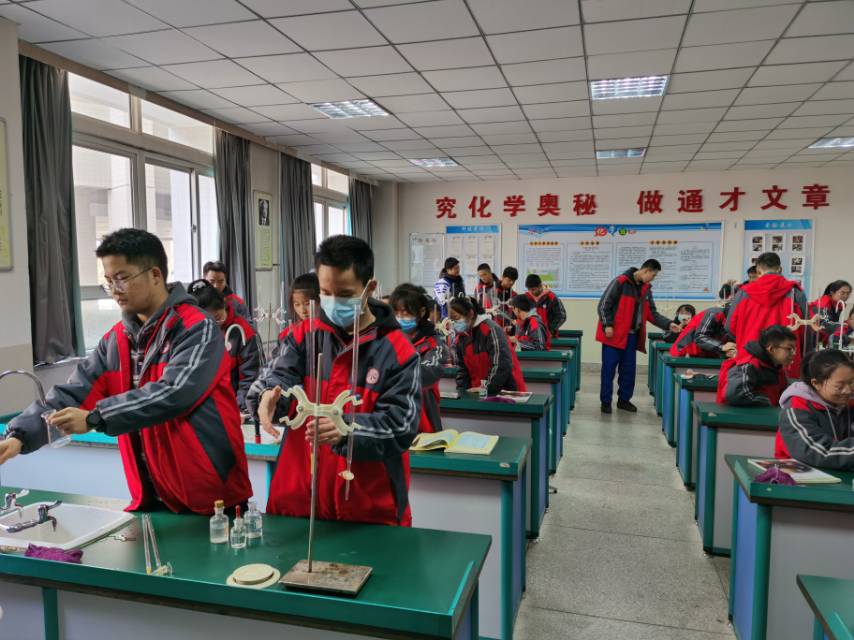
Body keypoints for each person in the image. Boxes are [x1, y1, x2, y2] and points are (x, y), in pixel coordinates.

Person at [0, 229, 252, 514]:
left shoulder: (197, 328)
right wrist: (20, 435)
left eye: (121, 278)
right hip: (151, 496)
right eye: (108, 281)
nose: (114, 290)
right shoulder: (115, 340)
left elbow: (173, 393)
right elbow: (74, 392)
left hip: (211, 497)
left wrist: (96, 417)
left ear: (155, 275)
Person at [248, 235, 421, 526]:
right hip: (298, 501)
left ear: (370, 288)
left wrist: (347, 428)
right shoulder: (304, 335)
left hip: (366, 510)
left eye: (345, 293)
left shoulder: (398, 353)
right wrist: (268, 396)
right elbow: (277, 375)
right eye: (326, 292)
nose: (333, 302)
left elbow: (401, 426)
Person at [596, 259, 681, 414]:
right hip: (613, 336)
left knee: (628, 370)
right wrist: (607, 324)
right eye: (653, 275)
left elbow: (652, 314)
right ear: (646, 270)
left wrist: (669, 324)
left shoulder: (646, 289)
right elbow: (603, 305)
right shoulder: (620, 282)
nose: (653, 279)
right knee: (608, 369)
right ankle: (605, 402)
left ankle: (624, 400)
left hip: (632, 336)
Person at [726, 252, 810, 378]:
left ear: (758, 270)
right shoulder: (795, 293)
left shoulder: (743, 293)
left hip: (749, 360)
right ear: (780, 269)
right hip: (785, 362)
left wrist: (743, 339)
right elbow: (806, 330)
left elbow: (730, 326)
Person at [189, 280, 261, 413]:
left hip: (236, 404)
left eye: (218, 317)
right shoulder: (196, 332)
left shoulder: (243, 331)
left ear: (224, 304)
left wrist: (238, 407)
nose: (215, 324)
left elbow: (250, 376)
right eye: (208, 320)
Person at [775, 349, 854, 470]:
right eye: (839, 386)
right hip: (799, 475)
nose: (848, 390)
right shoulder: (796, 408)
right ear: (816, 383)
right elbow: (816, 451)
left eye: (852, 383)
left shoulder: (847, 403)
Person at [389, 283, 449, 433]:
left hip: (423, 419)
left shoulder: (434, 344)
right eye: (396, 313)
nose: (400, 318)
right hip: (391, 419)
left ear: (421, 312)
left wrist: (389, 374)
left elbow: (427, 373)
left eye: (405, 313)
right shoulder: (387, 341)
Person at [449, 297, 527, 396]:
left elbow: (501, 364)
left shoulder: (491, 330)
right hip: (478, 393)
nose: (454, 323)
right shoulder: (461, 339)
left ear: (471, 314)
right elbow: (462, 371)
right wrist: (463, 393)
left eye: (456, 318)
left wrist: (486, 388)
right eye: (452, 320)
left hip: (505, 392)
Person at [716, 325, 796, 407]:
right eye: (789, 349)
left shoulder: (777, 366)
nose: (794, 353)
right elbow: (735, 394)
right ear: (772, 349)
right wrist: (769, 402)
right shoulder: (748, 365)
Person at [204, 260, 253, 325]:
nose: (216, 286)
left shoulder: (237, 302)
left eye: (220, 281)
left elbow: (249, 325)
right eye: (212, 281)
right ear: (204, 279)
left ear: (225, 281)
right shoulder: (197, 301)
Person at [806, 280, 852, 351]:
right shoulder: (823, 303)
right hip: (810, 337)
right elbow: (823, 324)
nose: (845, 296)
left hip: (818, 338)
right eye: (842, 293)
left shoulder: (838, 305)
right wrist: (846, 325)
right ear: (832, 293)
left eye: (848, 293)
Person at [278, 272, 320, 344]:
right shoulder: (287, 334)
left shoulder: (326, 332)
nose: (303, 311)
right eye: (297, 304)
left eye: (307, 304)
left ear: (320, 300)